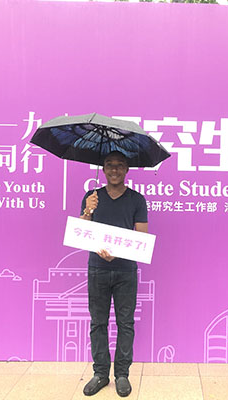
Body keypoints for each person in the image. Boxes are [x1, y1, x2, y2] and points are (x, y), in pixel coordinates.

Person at [80, 151, 148, 397]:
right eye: (109, 165)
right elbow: (81, 232)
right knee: (98, 322)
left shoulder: (137, 200)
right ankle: (100, 373)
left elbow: (142, 236)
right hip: (97, 269)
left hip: (125, 270)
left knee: (125, 323)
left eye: (120, 165)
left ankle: (122, 375)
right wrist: (88, 211)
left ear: (127, 169)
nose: (114, 170)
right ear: (103, 169)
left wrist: (117, 253)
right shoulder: (92, 197)